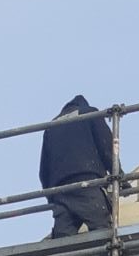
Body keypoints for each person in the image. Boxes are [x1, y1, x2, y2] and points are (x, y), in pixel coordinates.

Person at [39, 94, 116, 238]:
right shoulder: (90, 113)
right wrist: (117, 175)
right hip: (86, 183)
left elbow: (44, 171)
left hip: (60, 191)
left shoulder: (51, 127)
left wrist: (52, 198)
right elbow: (106, 147)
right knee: (102, 233)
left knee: (63, 243)